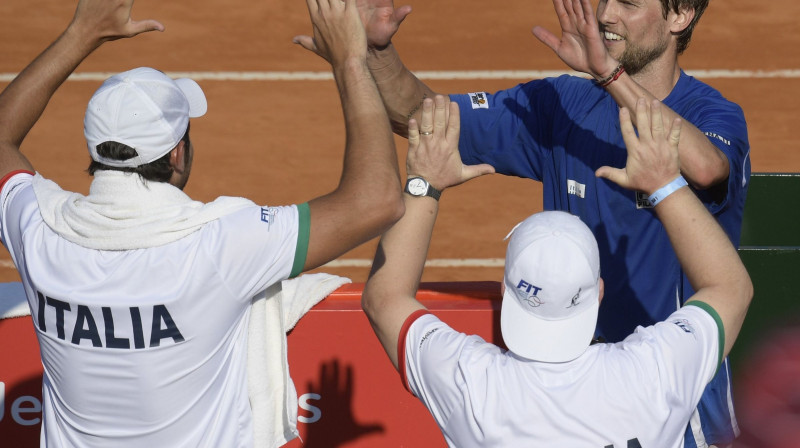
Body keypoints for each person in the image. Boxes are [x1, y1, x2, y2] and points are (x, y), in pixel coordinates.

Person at [301, 0, 752, 444]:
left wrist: (611, 78)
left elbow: (705, 167)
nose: (606, 14)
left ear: (680, 16)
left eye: (629, 3)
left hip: (678, 401)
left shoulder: (714, 115)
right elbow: (427, 119)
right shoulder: (562, 104)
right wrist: (377, 53)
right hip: (563, 382)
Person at [0, 0, 404, 446]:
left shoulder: (39, 227)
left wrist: (81, 33)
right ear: (177, 154)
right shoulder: (222, 241)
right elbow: (377, 201)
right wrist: (351, 60)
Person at [361, 93, 752, 447]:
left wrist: (423, 184)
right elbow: (730, 288)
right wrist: (665, 184)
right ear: (598, 292)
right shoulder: (652, 372)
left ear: (506, 291)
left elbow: (384, 298)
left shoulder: (473, 384)